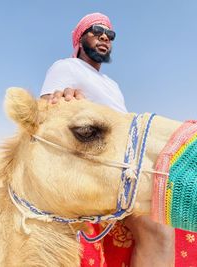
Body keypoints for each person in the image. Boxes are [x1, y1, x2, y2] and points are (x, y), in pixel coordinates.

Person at [41, 12, 175, 267]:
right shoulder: (66, 67)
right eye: (96, 31)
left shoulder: (112, 84)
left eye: (110, 35)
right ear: (80, 39)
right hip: (95, 162)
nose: (105, 37)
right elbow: (46, 109)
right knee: (159, 230)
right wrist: (67, 104)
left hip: (123, 161)